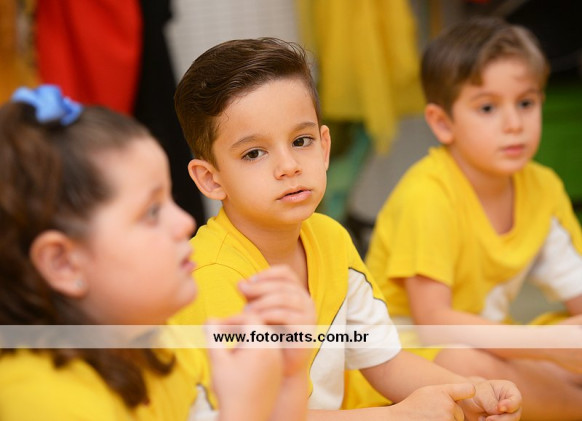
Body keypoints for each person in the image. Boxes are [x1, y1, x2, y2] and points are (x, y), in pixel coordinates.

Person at [171, 37, 522, 421]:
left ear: (324, 148)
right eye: (254, 153)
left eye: (300, 141)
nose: (288, 166)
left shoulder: (331, 239)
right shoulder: (212, 277)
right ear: (210, 179)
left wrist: (471, 392)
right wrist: (397, 416)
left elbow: (384, 361)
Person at [0, 84, 315, 421]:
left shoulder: (164, 343)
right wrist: (242, 411)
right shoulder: (40, 400)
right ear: (63, 263)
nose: (185, 222)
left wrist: (289, 377)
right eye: (152, 212)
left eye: (170, 200)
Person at [365, 16, 582, 420]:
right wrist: (548, 346)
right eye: (487, 107)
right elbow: (433, 320)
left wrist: (562, 342)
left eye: (526, 103)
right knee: (465, 364)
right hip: (410, 354)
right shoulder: (427, 194)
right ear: (442, 123)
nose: (514, 124)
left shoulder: (543, 186)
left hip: (490, 341)